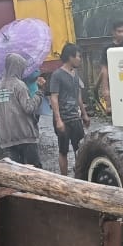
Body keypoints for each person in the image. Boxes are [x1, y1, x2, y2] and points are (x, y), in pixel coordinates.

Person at [0, 52, 45, 166]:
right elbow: (29, 107)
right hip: (24, 135)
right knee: (35, 170)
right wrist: (40, 92)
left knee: (17, 171)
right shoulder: (19, 85)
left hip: (7, 137)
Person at [49, 43, 89, 174]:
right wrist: (58, 120)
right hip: (64, 119)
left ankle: (81, 176)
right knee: (63, 150)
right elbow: (54, 98)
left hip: (75, 118)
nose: (80, 59)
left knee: (81, 149)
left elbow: (78, 96)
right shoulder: (57, 75)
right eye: (78, 56)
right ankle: (64, 178)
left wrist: (84, 114)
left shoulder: (75, 74)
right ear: (70, 57)